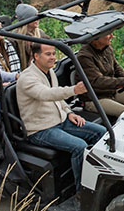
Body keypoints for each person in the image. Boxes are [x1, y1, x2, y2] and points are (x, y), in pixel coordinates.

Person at [17, 42, 106, 194]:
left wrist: (69, 112)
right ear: (36, 56)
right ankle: (82, 192)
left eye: (53, 53)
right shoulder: (27, 78)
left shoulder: (49, 72)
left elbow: (57, 98)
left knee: (101, 132)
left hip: (60, 119)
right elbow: (46, 94)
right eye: (48, 54)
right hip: (41, 129)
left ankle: (99, 178)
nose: (53, 57)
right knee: (79, 146)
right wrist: (74, 90)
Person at [76, 32, 124, 119]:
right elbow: (98, 81)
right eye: (108, 34)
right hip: (95, 98)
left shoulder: (107, 48)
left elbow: (116, 68)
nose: (112, 36)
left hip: (111, 91)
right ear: (96, 38)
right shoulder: (84, 57)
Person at [13, 3, 47, 68]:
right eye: (34, 17)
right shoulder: (14, 38)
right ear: (26, 20)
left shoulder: (41, 33)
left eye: (38, 17)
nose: (37, 20)